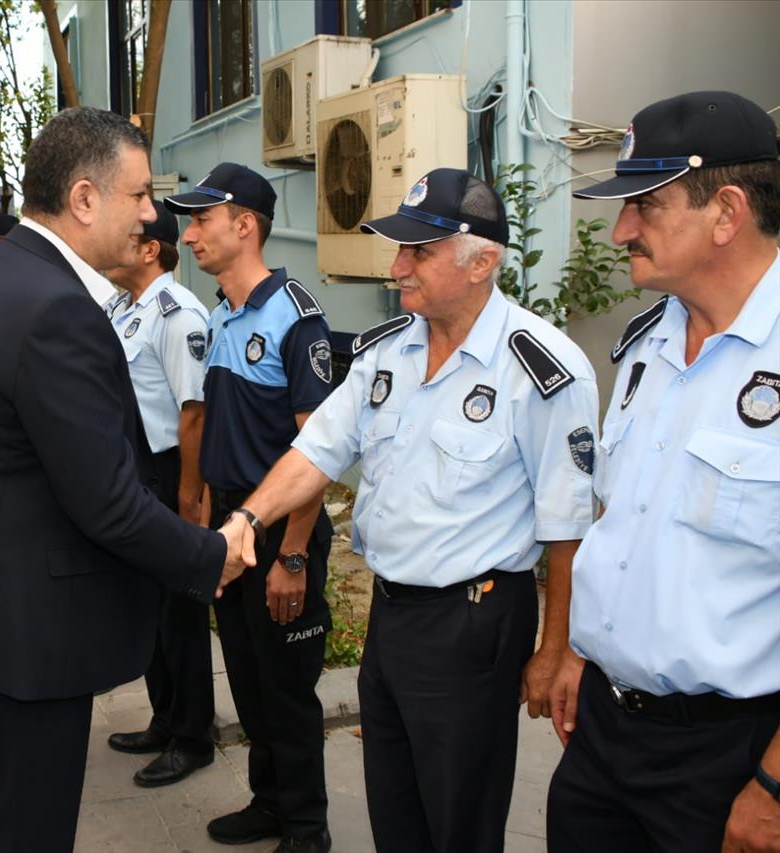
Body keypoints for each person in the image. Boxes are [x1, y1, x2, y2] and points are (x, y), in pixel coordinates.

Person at [0, 107, 254, 853]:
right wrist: (211, 555)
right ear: (85, 198)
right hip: (22, 633)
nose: (152, 214)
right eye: (141, 193)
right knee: (31, 833)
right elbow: (108, 503)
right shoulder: (55, 308)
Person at [221, 167, 599, 853]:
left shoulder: (542, 369)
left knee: (459, 820)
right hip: (391, 616)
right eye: (399, 249)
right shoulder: (385, 351)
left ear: (481, 261)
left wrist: (555, 647)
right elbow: (316, 450)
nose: (396, 267)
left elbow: (567, 523)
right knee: (395, 808)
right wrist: (246, 521)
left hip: (474, 622)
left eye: (417, 252)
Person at [549, 91, 780, 853]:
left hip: (728, 758)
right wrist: (583, 651)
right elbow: (624, 521)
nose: (620, 230)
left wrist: (775, 785)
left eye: (645, 206)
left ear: (727, 212)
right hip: (606, 734)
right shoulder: (648, 343)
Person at [163, 162, 336, 853]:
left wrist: (292, 553)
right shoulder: (221, 314)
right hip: (230, 525)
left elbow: (318, 450)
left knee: (288, 689)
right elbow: (218, 428)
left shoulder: (296, 314)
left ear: (245, 225)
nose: (189, 233)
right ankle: (269, 801)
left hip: (281, 528)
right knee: (247, 676)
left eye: (202, 219)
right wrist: (205, 513)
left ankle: (306, 826)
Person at [102, 202, 217, 788]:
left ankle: (194, 736)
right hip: (135, 468)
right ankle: (164, 718)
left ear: (151, 250)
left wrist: (190, 500)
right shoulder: (123, 307)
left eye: (130, 235)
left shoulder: (179, 315)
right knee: (151, 608)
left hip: (170, 470)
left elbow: (192, 414)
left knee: (181, 614)